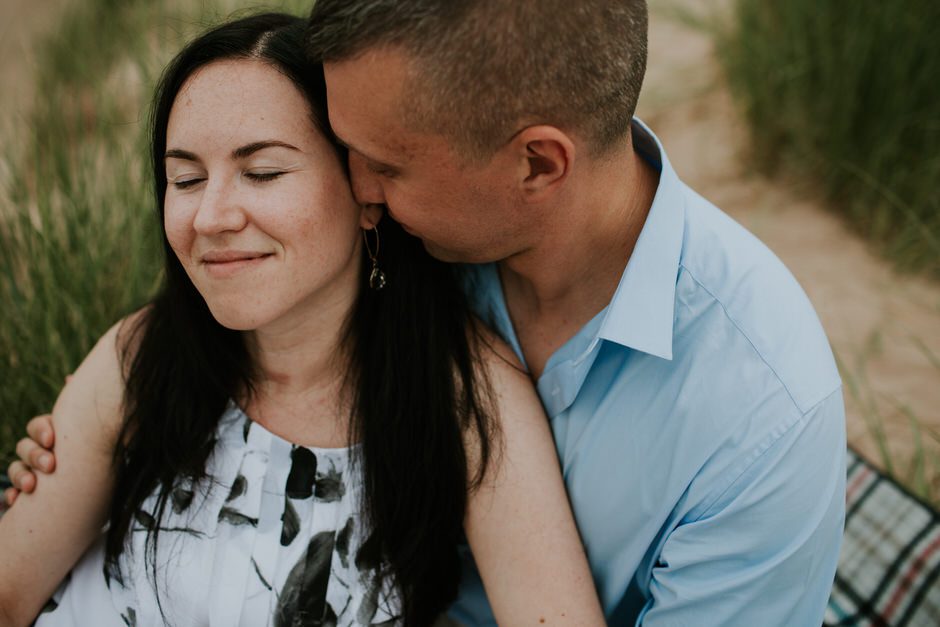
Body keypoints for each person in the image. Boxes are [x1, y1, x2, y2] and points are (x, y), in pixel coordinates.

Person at [8, 0, 848, 625]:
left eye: (381, 166)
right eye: (184, 177)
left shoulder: (762, 419)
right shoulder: (403, 262)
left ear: (536, 166)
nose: (362, 192)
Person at [0, 12, 607, 627]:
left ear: (365, 189)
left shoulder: (464, 396)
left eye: (261, 173)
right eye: (185, 179)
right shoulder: (142, 355)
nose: (209, 217)